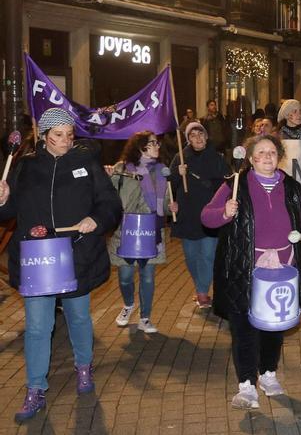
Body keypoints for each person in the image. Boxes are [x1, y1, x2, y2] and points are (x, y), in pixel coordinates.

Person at [0, 108, 122, 422]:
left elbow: (110, 203)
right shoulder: (25, 166)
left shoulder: (86, 162)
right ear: (43, 135)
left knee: (78, 317)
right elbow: (8, 212)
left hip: (75, 254)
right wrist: (1, 200)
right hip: (38, 258)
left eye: (70, 135)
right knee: (39, 327)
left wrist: (95, 220)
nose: (65, 142)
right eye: (58, 135)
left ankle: (84, 366)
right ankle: (35, 388)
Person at [201, 135, 301, 409]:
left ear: (279, 156)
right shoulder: (235, 185)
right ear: (251, 158)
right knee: (243, 327)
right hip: (245, 267)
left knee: (274, 326)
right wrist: (225, 212)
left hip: (282, 265)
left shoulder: (290, 186)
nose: (267, 157)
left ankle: (268, 374)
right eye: (261, 152)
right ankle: (246, 385)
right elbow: (207, 216)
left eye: (272, 152)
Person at [108, 131, 177, 334]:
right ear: (139, 147)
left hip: (151, 229)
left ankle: (145, 318)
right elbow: (108, 197)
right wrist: (107, 178)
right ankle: (128, 304)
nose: (157, 146)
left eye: (157, 142)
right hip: (126, 229)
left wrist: (169, 207)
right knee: (125, 276)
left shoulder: (161, 171)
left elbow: (163, 205)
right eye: (152, 143)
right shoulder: (121, 170)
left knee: (148, 277)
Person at [169, 122, 230, 308]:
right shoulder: (180, 157)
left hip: (210, 215)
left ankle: (202, 292)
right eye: (193, 135)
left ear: (206, 136)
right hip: (188, 215)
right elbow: (170, 186)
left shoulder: (216, 157)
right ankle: (200, 287)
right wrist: (178, 175)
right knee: (191, 256)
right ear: (188, 139)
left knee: (208, 255)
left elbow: (227, 181)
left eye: (201, 134)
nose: (198, 138)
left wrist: (211, 186)